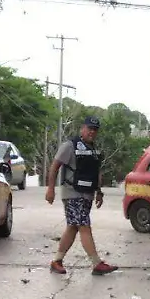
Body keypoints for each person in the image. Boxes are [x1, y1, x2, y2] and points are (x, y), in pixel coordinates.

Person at [45, 117, 118, 275]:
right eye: (89, 128)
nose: (92, 132)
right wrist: (50, 189)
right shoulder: (69, 146)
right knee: (84, 226)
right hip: (72, 193)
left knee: (73, 227)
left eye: (95, 129)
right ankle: (97, 263)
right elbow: (54, 167)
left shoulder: (93, 149)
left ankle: (56, 261)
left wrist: (99, 192)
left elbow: (96, 172)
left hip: (87, 194)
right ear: (82, 129)